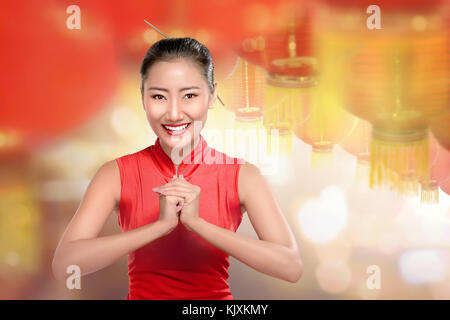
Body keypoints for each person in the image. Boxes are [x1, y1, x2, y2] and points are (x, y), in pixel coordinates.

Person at [52, 37, 303, 299]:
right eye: (159, 96)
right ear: (143, 99)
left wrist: (197, 224)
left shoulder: (243, 176)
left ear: (212, 96)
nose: (173, 114)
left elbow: (291, 267)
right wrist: (159, 227)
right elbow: (65, 264)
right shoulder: (115, 174)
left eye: (190, 96)